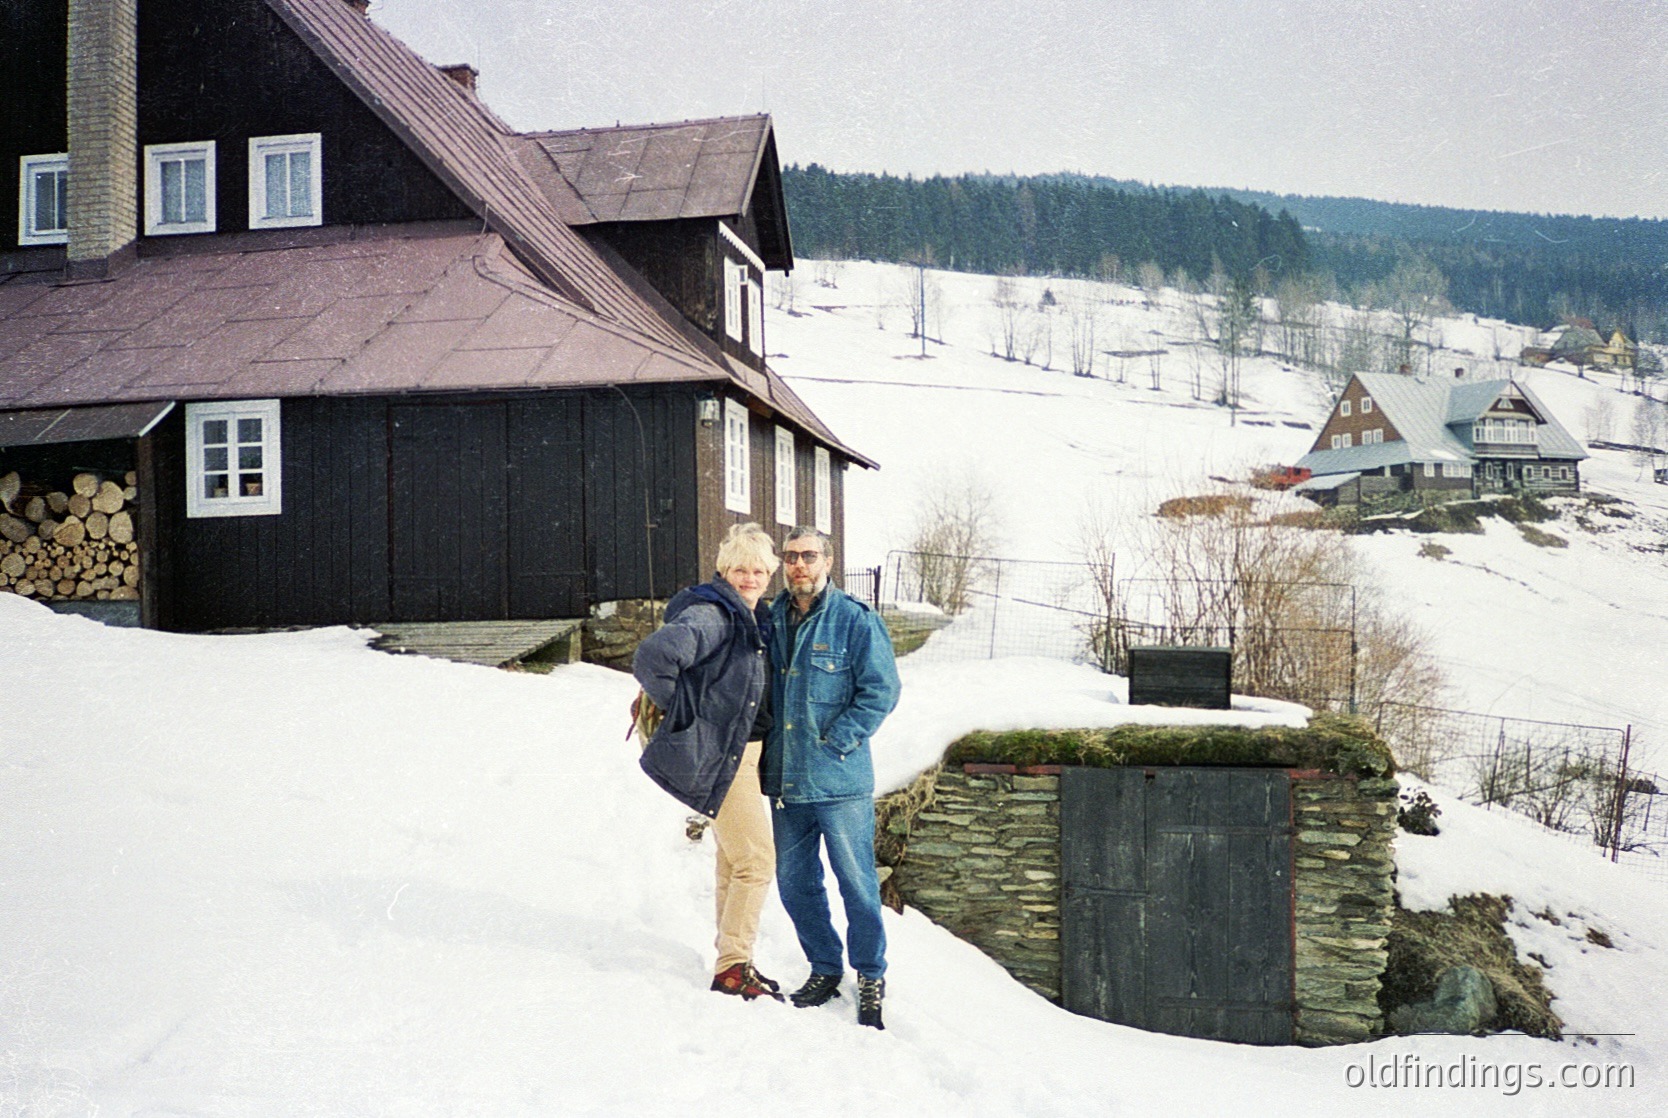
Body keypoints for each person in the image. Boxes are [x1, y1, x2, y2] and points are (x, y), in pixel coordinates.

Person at [633, 522, 782, 1001]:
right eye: (740, 568)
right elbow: (654, 657)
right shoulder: (714, 614)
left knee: (732, 860)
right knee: (757, 860)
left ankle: (731, 959)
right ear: (724, 570)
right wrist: (689, 716)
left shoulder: (752, 616)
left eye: (759, 570)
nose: (750, 577)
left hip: (746, 753)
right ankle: (733, 966)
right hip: (727, 757)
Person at [763, 527, 901, 1029]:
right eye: (792, 556)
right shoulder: (772, 619)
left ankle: (870, 974)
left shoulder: (854, 621)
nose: (799, 564)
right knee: (796, 883)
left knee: (857, 885)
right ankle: (824, 967)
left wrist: (837, 740)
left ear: (828, 560)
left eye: (809, 556)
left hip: (839, 782)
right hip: (786, 781)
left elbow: (881, 690)